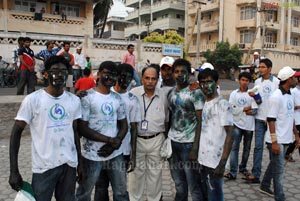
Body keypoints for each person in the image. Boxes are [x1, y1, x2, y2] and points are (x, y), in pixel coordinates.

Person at [9, 56, 82, 201]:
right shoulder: (32, 100)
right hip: (44, 168)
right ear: (46, 74)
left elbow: (75, 132)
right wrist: (14, 171)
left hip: (68, 165)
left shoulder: (74, 100)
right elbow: (16, 134)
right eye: (55, 71)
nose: (60, 74)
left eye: (63, 71)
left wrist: (80, 163)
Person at [76, 61, 129, 201]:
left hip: (115, 154)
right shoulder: (87, 97)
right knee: (84, 193)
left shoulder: (117, 98)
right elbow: (83, 129)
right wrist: (110, 140)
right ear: (98, 74)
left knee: (121, 193)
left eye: (114, 75)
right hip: (92, 155)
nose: (111, 77)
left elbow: (124, 125)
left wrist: (115, 143)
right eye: (107, 74)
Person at [94, 63, 141, 201]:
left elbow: (133, 128)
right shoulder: (105, 94)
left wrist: (133, 154)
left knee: (120, 191)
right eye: (122, 77)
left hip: (122, 152)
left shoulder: (133, 100)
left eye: (129, 78)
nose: (125, 81)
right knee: (100, 188)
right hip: (100, 151)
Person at [128, 66, 169, 201]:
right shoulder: (133, 94)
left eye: (153, 79)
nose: (150, 82)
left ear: (157, 80)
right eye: (147, 78)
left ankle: (154, 199)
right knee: (136, 174)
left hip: (157, 139)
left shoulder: (163, 95)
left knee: (155, 175)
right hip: (138, 140)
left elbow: (167, 119)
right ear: (142, 78)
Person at [259, 66, 299, 200]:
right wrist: (274, 142)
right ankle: (280, 197)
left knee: (275, 164)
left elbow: (290, 116)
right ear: (289, 79)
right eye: (294, 77)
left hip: (286, 138)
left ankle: (264, 185)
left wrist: (296, 134)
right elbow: (270, 120)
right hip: (276, 141)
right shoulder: (276, 97)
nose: (296, 79)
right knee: (279, 171)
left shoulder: (289, 95)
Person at [167, 59, 205, 200]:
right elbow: (171, 116)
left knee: (193, 184)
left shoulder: (196, 93)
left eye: (183, 71)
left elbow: (201, 121)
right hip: (173, 143)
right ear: (172, 74)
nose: (179, 74)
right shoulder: (170, 93)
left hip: (189, 144)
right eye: (176, 71)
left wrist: (195, 147)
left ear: (189, 74)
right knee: (178, 183)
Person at [197, 68, 233, 201]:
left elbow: (230, 135)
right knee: (206, 194)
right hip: (203, 160)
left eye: (209, 82)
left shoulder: (223, 104)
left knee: (215, 196)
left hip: (215, 162)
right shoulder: (205, 103)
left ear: (217, 82)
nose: (206, 85)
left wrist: (222, 163)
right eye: (203, 82)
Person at [246, 58, 280, 184]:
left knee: (272, 148)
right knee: (258, 147)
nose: (260, 69)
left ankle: (273, 175)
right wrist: (254, 96)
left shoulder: (276, 82)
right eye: (259, 67)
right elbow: (258, 101)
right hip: (259, 119)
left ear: (270, 69)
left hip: (271, 121)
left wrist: (271, 116)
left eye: (263, 67)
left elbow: (277, 102)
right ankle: (256, 175)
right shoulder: (257, 82)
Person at [224, 72, 258, 180]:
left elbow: (255, 109)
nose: (244, 82)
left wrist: (249, 111)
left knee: (247, 148)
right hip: (237, 124)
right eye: (243, 80)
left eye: (247, 80)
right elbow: (231, 108)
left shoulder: (252, 94)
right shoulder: (234, 94)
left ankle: (242, 167)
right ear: (239, 80)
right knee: (234, 148)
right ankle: (233, 172)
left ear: (249, 82)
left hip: (249, 125)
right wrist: (243, 109)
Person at [285, 71, 300, 161]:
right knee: (298, 137)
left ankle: (287, 152)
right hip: (296, 118)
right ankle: (287, 152)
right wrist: (298, 106)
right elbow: (290, 106)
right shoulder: (293, 92)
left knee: (298, 138)